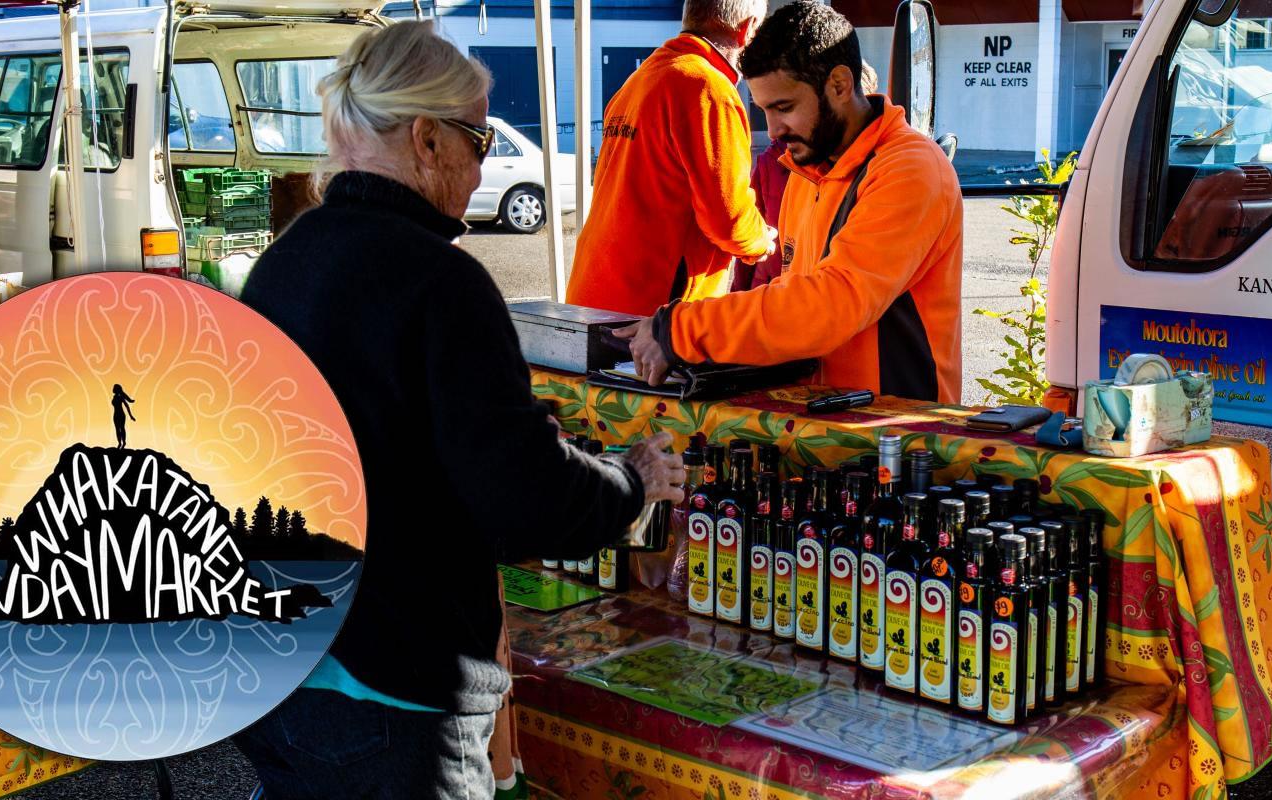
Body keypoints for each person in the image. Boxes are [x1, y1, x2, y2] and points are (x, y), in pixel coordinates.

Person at [233, 22, 684, 800]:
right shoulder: (441, 283)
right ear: (427, 140)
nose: (483, 167)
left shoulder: (284, 262)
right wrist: (633, 480)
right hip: (396, 687)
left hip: (278, 663)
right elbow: (526, 501)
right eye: (478, 140)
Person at [619, 2, 964, 403]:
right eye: (764, 110)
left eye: (784, 107)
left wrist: (682, 329)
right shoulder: (807, 167)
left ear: (839, 84)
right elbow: (790, 298)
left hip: (897, 431)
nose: (773, 130)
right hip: (821, 423)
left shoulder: (911, 168)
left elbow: (830, 306)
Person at [566, 0, 777, 316]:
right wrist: (763, 240)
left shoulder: (639, 80)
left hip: (595, 293)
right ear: (747, 31)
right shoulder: (708, 89)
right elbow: (728, 220)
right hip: (651, 313)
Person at [734, 60, 877, 291]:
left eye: (784, 107)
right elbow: (754, 221)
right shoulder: (779, 161)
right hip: (774, 291)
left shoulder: (876, 170)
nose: (773, 130)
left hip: (785, 294)